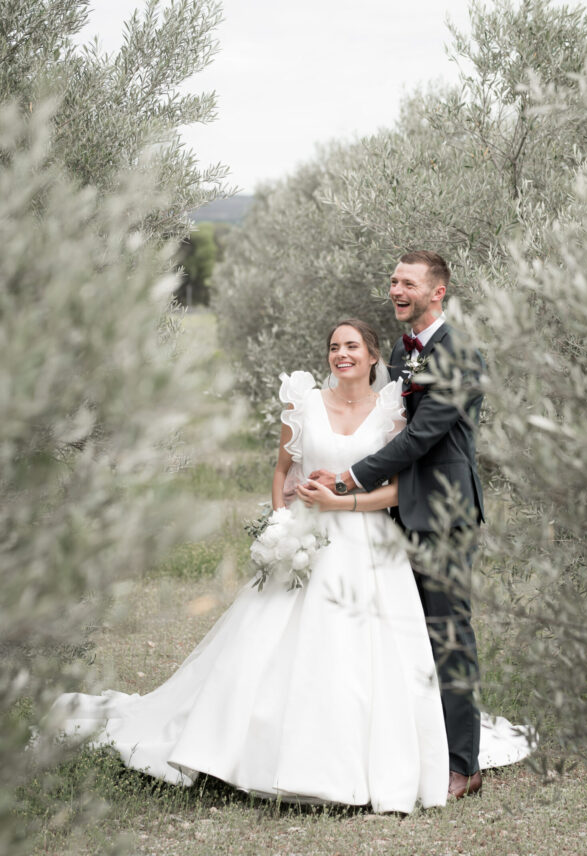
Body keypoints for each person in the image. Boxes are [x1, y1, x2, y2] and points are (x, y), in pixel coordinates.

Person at [51, 316, 530, 812]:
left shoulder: (391, 412)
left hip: (367, 544)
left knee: (365, 652)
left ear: (373, 358)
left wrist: (341, 499)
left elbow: (398, 487)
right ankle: (244, 748)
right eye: (333, 347)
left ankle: (380, 759)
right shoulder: (302, 402)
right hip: (305, 542)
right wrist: (282, 526)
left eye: (351, 346)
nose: (340, 354)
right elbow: (282, 472)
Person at [308, 252, 488, 799]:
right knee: (402, 635)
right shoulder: (404, 353)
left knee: (448, 634)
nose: (395, 290)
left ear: (438, 291)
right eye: (392, 281)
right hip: (398, 513)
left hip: (442, 514)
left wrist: (349, 477)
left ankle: (464, 764)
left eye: (407, 282)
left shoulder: (458, 352)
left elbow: (421, 438)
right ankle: (413, 746)